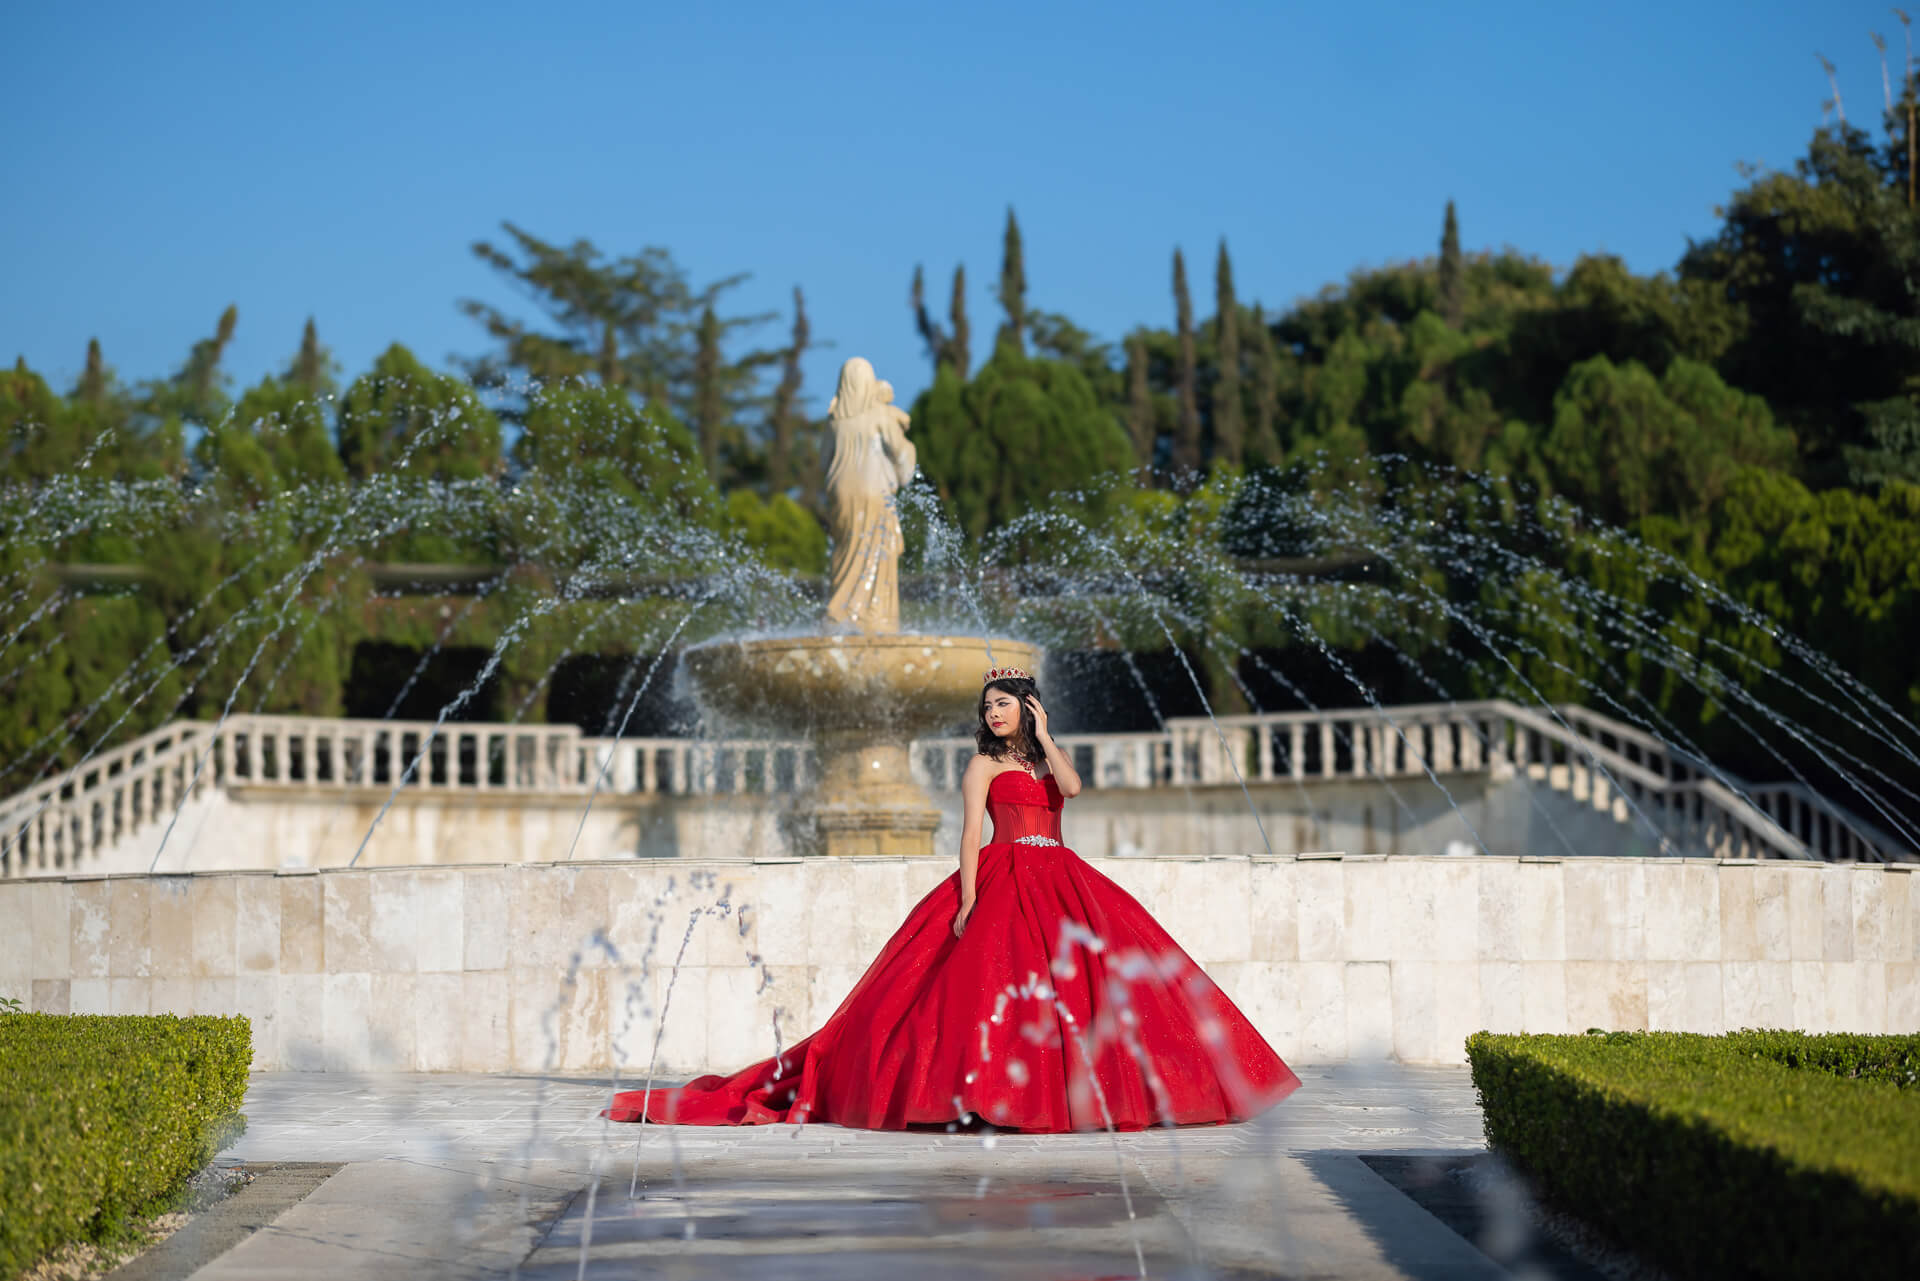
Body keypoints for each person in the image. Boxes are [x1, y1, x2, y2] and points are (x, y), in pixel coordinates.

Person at [604, 668, 1300, 1132]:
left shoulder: (1038, 758)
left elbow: (1075, 789)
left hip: (1064, 877)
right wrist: (968, 901)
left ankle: (1089, 1094)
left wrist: (1048, 733)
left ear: (1026, 706)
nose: (994, 714)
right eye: (988, 707)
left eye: (1004, 704)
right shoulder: (982, 764)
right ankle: (983, 1097)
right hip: (1001, 874)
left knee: (1094, 987)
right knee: (985, 990)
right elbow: (969, 833)